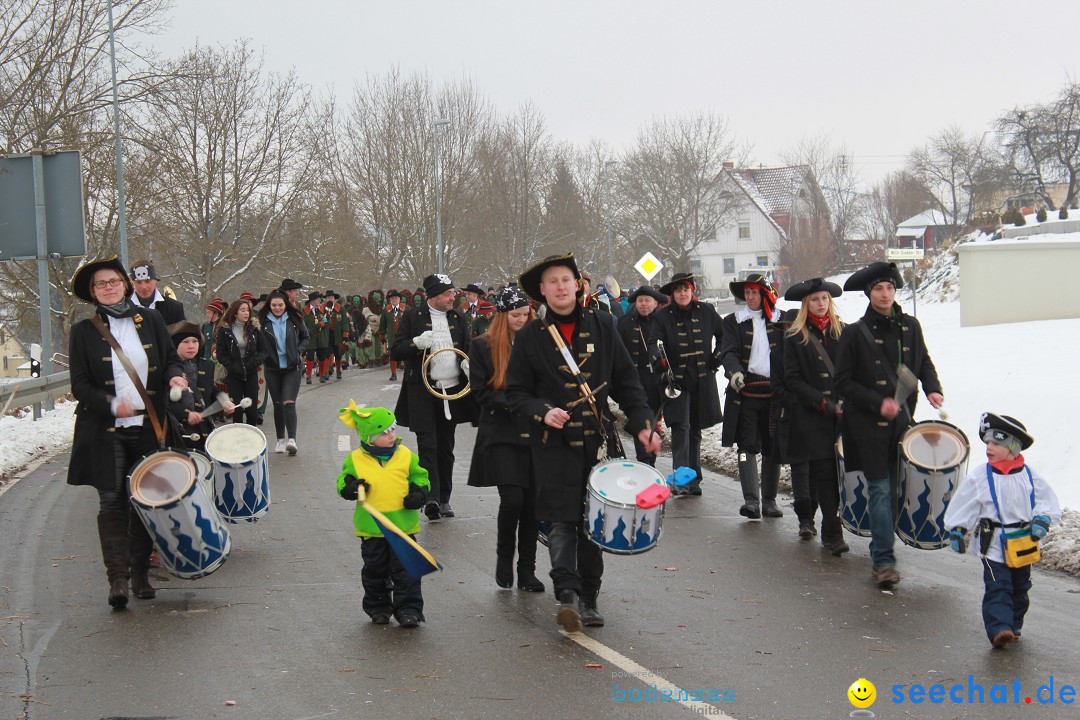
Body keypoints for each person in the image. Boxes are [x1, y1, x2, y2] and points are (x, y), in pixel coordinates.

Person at [507, 254, 660, 632]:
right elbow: (516, 392)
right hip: (552, 444)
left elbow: (627, 381)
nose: (560, 287)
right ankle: (567, 596)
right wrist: (543, 410)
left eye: (566, 279)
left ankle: (589, 597)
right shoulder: (531, 336)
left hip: (597, 441)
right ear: (541, 291)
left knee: (593, 524)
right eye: (552, 282)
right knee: (560, 520)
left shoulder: (605, 325)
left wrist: (642, 423)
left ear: (577, 284)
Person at [67, 257, 188, 608]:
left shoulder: (149, 319)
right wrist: (109, 403)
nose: (108, 287)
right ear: (93, 292)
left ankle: (139, 574)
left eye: (113, 281)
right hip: (106, 428)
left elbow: (170, 360)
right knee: (112, 500)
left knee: (145, 500)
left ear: (125, 284)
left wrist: (175, 376)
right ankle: (117, 580)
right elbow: (79, 385)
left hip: (149, 425)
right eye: (100, 284)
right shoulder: (84, 331)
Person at [835, 261, 944, 589]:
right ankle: (884, 560)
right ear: (869, 294)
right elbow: (842, 383)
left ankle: (878, 546)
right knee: (880, 490)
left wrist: (932, 386)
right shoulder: (855, 333)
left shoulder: (911, 326)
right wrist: (875, 402)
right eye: (878, 289)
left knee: (896, 491)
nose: (885, 294)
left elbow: (922, 360)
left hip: (902, 422)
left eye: (890, 288)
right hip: (866, 426)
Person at [943, 413, 1061, 648]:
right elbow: (965, 503)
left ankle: (1014, 623)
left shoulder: (1028, 475)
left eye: (997, 443)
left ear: (1013, 447)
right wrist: (957, 529)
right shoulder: (980, 477)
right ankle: (999, 628)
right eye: (988, 443)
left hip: (1023, 541)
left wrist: (1041, 520)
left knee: (1021, 586)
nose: (990, 447)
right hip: (993, 543)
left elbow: (1045, 500)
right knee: (998, 585)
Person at [467, 286, 544, 592]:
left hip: (536, 432)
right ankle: (504, 557)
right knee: (513, 499)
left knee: (532, 506)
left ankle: (527, 569)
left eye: (526, 314)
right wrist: (518, 402)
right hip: (501, 432)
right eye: (515, 315)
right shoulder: (482, 346)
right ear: (502, 316)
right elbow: (481, 392)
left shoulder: (539, 342)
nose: (522, 319)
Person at [391, 274, 477, 521]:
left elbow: (468, 348)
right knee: (428, 445)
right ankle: (431, 498)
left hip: (451, 392)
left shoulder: (457, 317)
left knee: (445, 448)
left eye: (453, 293)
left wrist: (468, 364)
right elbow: (397, 350)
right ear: (434, 296)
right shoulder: (412, 316)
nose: (453, 298)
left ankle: (445, 499)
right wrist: (415, 344)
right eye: (448, 294)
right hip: (422, 392)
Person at [336, 403, 430, 628]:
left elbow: (421, 477)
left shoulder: (406, 456)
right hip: (372, 527)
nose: (390, 435)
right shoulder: (355, 459)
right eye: (384, 432)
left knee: (406, 570)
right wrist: (351, 488)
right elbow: (343, 482)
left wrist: (419, 494)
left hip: (402, 527)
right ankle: (378, 607)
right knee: (374, 570)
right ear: (369, 437)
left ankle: (409, 609)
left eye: (392, 430)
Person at [780, 278, 849, 555]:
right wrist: (821, 402)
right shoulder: (794, 336)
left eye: (824, 299)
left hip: (842, 414)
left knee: (841, 473)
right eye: (815, 300)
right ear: (805, 304)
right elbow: (793, 380)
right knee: (825, 475)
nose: (821, 304)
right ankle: (832, 534)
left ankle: (843, 525)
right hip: (812, 416)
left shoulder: (842, 331)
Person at [651, 273, 724, 493]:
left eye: (686, 289)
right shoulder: (662, 317)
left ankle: (694, 478)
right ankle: (681, 480)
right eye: (678, 290)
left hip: (702, 379)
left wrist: (716, 358)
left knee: (695, 429)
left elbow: (724, 336)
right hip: (677, 381)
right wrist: (660, 362)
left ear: (692, 291)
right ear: (672, 294)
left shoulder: (707, 311)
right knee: (681, 428)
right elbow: (654, 344)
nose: (683, 293)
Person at [720, 272, 784, 518]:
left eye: (754, 292)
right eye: (747, 292)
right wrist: (734, 372)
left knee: (772, 447)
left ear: (765, 293)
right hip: (745, 391)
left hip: (774, 392)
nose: (750, 296)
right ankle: (751, 501)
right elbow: (729, 351)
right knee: (747, 446)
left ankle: (769, 500)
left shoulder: (781, 320)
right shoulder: (734, 321)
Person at [615, 285, 667, 466]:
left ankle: (648, 459)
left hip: (656, 381)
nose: (643, 304)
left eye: (647, 301)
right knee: (639, 420)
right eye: (640, 301)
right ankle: (645, 460)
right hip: (633, 383)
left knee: (652, 419)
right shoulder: (625, 322)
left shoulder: (662, 321)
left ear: (655, 302)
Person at [166, 321, 232, 450]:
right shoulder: (169, 369)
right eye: (185, 342)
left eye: (195, 341)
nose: (191, 346)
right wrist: (186, 415)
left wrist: (224, 400)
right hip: (178, 431)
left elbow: (211, 390)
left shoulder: (207, 365)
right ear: (175, 345)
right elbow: (165, 401)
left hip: (204, 429)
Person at [259, 289, 309, 455]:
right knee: (278, 404)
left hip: (291, 367)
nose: (277, 308)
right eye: (274, 305)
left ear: (285, 305)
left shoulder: (294, 319)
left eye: (280, 305)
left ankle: (292, 440)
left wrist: (298, 351)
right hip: (272, 368)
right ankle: (280, 440)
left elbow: (305, 337)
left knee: (289, 402)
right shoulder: (263, 322)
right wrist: (264, 356)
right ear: (269, 305)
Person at [215, 298, 267, 426]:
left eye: (248, 310)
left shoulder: (255, 329)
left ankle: (252, 437)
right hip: (234, 373)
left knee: (251, 409)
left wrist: (254, 362)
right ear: (235, 313)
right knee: (237, 409)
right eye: (242, 310)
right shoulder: (224, 331)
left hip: (251, 371)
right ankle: (237, 436)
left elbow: (264, 351)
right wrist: (231, 366)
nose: (246, 313)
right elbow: (221, 353)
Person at [127, 258, 186, 325]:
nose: (144, 287)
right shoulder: (125, 309)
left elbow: (183, 334)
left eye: (147, 281)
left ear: (155, 281)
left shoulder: (174, 308)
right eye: (139, 282)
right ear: (133, 283)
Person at [303, 291, 331, 384]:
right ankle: (309, 376)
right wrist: (307, 330)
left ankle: (322, 375)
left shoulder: (324, 310)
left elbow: (327, 321)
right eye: (317, 300)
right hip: (310, 337)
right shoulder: (305, 310)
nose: (319, 301)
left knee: (322, 356)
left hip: (322, 337)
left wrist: (322, 323)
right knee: (310, 356)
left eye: (319, 300)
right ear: (312, 301)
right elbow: (301, 323)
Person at [379, 290, 406, 380]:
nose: (394, 299)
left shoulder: (406, 308)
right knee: (393, 354)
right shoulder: (386, 310)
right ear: (390, 300)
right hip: (391, 336)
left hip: (404, 335)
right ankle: (393, 374)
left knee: (406, 353)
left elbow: (411, 322)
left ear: (399, 299)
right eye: (392, 298)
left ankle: (408, 372)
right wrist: (382, 335)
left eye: (396, 298)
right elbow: (382, 324)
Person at [324, 291, 349, 380]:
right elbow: (321, 320)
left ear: (334, 299)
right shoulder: (323, 308)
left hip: (337, 334)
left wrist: (345, 334)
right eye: (328, 298)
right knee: (327, 353)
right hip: (326, 334)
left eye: (331, 298)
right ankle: (326, 372)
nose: (330, 299)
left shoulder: (341, 309)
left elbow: (345, 322)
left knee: (338, 353)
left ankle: (338, 371)